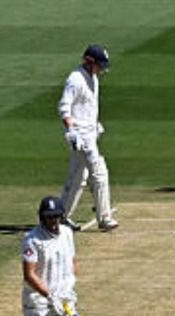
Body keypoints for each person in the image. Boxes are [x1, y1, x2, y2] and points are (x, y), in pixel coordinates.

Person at [58, 44, 118, 231]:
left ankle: (61, 216)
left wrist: (95, 123)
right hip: (81, 137)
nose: (101, 70)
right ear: (89, 62)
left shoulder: (92, 77)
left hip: (90, 133)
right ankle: (104, 217)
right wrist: (72, 131)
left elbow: (87, 106)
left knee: (78, 177)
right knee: (99, 172)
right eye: (99, 65)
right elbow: (64, 107)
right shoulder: (75, 80)